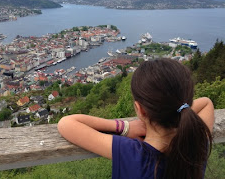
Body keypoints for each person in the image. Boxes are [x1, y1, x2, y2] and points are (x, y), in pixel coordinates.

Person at [58, 58, 214, 179]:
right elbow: (207, 103)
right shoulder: (196, 144)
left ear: (140, 109)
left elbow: (66, 123)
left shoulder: (133, 153)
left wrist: (125, 127)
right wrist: (175, 113)